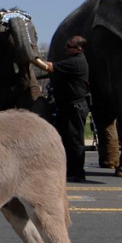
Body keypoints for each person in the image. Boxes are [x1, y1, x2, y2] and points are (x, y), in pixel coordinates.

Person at [42, 36, 90, 182]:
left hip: (75, 106)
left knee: (74, 140)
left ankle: (78, 172)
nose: (65, 48)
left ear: (79, 49)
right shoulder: (73, 61)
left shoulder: (76, 62)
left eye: (69, 46)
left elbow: (49, 67)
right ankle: (70, 170)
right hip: (68, 105)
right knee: (67, 139)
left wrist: (32, 59)